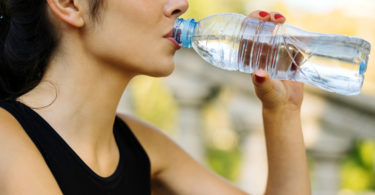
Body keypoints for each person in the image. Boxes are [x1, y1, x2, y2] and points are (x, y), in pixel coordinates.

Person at [0, 0, 310, 194]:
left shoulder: (142, 146)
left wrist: (283, 110)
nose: (181, 5)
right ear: (69, 5)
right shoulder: (5, 136)